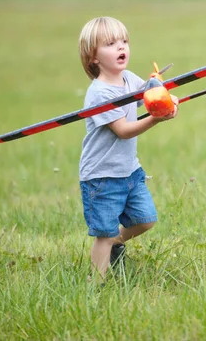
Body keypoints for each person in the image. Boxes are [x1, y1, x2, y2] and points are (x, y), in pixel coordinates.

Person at [78, 16, 178, 280]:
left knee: (146, 219)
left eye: (124, 41)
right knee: (104, 234)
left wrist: (167, 100)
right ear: (94, 57)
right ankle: (97, 284)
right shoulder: (99, 94)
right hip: (101, 176)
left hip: (129, 170)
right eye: (111, 44)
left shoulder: (129, 79)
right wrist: (156, 118)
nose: (121, 47)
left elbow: (151, 98)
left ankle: (115, 244)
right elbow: (122, 131)